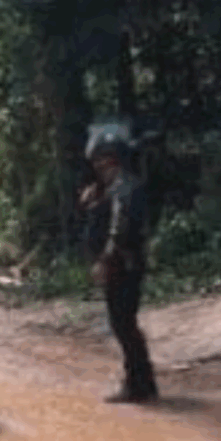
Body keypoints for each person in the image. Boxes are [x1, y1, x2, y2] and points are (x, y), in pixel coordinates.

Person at [79, 131, 159, 404]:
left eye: (103, 161)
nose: (99, 167)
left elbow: (119, 228)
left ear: (114, 160)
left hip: (123, 265)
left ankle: (139, 383)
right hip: (122, 264)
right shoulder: (113, 188)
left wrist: (104, 260)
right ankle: (141, 380)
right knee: (123, 323)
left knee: (124, 323)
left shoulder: (124, 187)